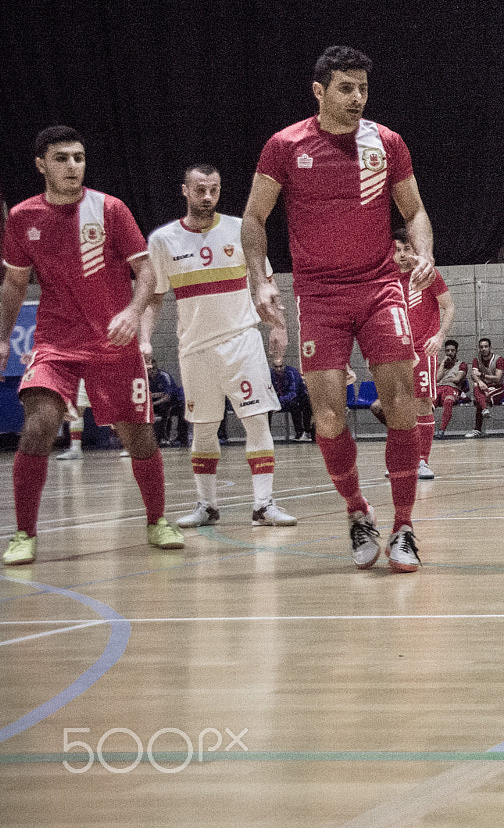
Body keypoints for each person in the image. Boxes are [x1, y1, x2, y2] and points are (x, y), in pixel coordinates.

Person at [243, 45, 434, 572]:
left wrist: (426, 251)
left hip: (379, 288)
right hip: (319, 295)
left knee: (403, 404)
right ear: (319, 91)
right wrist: (260, 281)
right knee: (326, 417)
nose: (357, 98)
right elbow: (254, 219)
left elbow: (414, 210)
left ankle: (404, 527)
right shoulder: (285, 145)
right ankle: (357, 511)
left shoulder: (387, 143)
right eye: (346, 88)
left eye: (364, 89)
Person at [1, 126, 180, 566]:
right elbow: (13, 284)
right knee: (40, 424)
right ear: (41, 164)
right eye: (62, 158)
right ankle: (24, 533)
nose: (73, 166)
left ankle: (157, 520)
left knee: (139, 437)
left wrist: (132, 313)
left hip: (113, 344)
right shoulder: (23, 218)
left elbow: (148, 273)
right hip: (56, 344)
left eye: (79, 157)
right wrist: (2, 337)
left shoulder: (111, 209)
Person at [138, 162, 298, 528]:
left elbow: (266, 286)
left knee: (257, 421)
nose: (208, 196)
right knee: (204, 427)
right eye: (200, 190)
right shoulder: (163, 240)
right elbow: (154, 297)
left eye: (214, 189)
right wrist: (144, 339)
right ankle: (206, 506)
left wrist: (280, 328)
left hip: (242, 342)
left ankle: (263, 505)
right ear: (184, 191)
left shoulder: (242, 231)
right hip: (194, 350)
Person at [393, 227, 452, 478]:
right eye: (398, 250)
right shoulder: (387, 277)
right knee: (397, 406)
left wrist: (440, 336)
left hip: (423, 348)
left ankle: (421, 461)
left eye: (407, 249)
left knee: (422, 403)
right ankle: (403, 460)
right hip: (396, 351)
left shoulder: (427, 274)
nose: (403, 255)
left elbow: (449, 307)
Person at [466, 336, 504, 438]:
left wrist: (482, 375)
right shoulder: (476, 360)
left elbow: (498, 378)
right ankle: (484, 410)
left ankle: (477, 429)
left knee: (481, 399)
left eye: (486, 347)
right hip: (484, 387)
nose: (483, 349)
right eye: (481, 347)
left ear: (490, 347)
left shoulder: (498, 359)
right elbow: (473, 374)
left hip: (498, 388)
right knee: (476, 385)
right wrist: (479, 381)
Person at [144, 353, 185, 447]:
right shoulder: (146, 379)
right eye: (149, 369)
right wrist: (155, 396)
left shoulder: (164, 376)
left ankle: (165, 438)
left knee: (165, 409)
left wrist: (153, 402)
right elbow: (146, 395)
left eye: (154, 369)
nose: (152, 371)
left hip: (174, 402)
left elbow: (167, 397)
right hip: (158, 402)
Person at [271, 357, 312, 440]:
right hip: (281, 399)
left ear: (285, 366)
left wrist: (279, 401)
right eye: (276, 367)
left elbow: (293, 392)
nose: (279, 369)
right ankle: (266, 435)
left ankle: (303, 431)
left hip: (299, 397)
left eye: (281, 366)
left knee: (298, 403)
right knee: (266, 408)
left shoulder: (291, 372)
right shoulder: (270, 374)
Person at [434, 339, 468, 436]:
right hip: (439, 389)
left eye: (452, 350)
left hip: (452, 389)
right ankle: (425, 429)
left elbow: (457, 379)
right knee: (429, 403)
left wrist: (446, 380)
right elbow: (436, 379)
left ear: (456, 351)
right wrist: (443, 363)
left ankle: (441, 430)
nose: (450, 353)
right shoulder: (441, 365)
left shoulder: (462, 364)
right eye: (447, 350)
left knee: (448, 402)